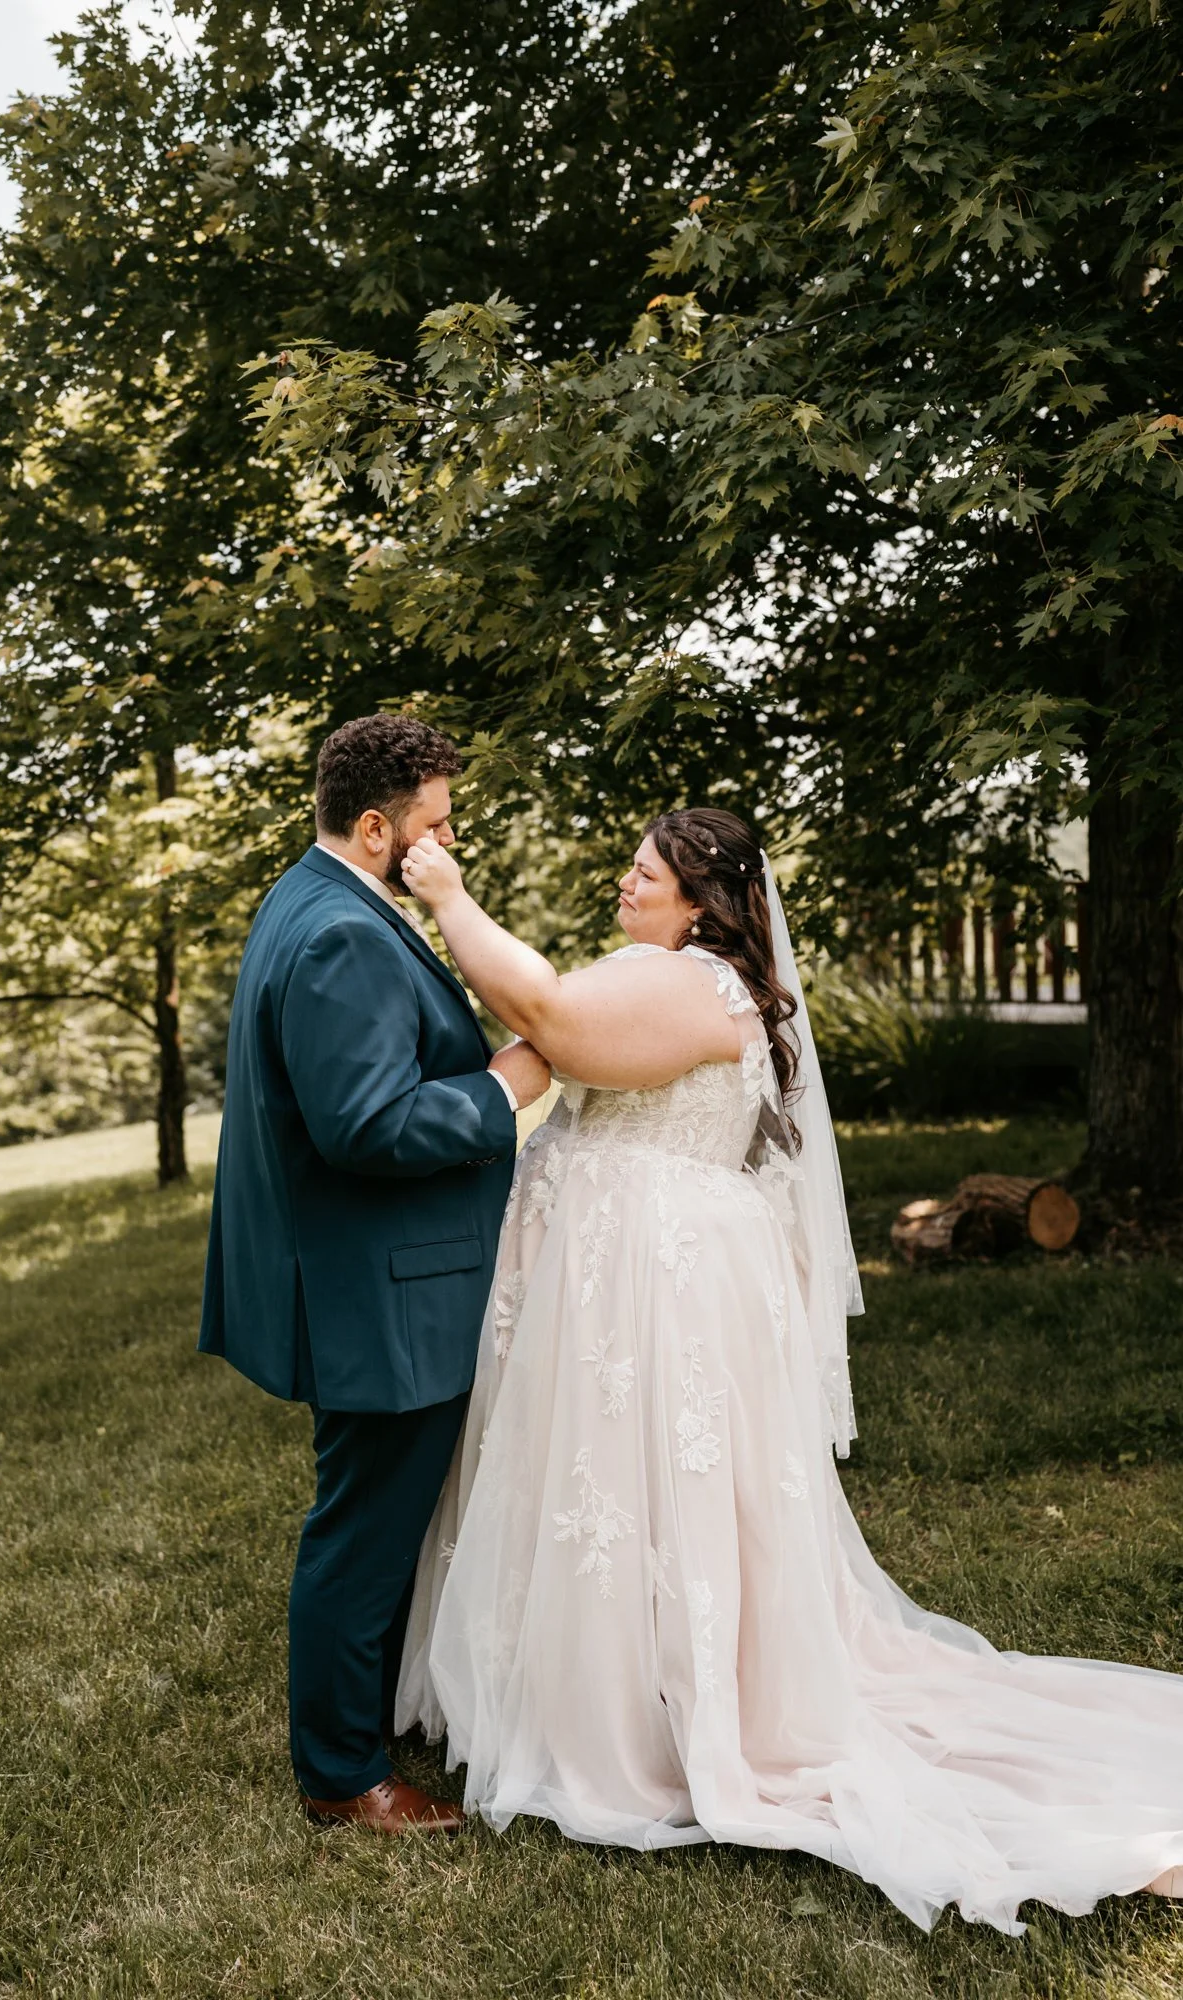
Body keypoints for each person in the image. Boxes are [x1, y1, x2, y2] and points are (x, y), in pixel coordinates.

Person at [396, 806, 1183, 1931]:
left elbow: (557, 1024)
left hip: (655, 1289)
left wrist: (449, 897)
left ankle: (645, 1710)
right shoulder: (666, 970)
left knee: (643, 1487)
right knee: (605, 1485)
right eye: (627, 866)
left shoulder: (700, 985)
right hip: (625, 1276)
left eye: (645, 872)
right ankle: (593, 1678)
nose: (624, 884)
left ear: (705, 901)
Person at [198, 714, 549, 1834]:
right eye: (435, 821)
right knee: (362, 1529)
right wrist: (501, 1086)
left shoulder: (311, 896)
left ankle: (366, 1720)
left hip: (362, 1273)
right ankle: (342, 1773)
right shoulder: (341, 932)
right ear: (373, 823)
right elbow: (363, 1123)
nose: (449, 837)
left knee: (370, 1516)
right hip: (382, 1288)